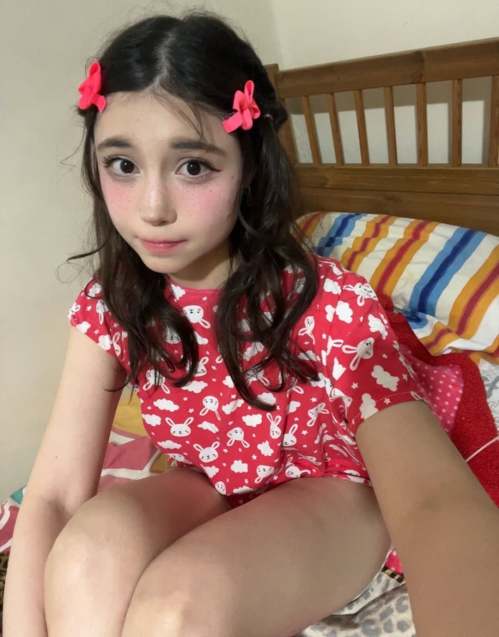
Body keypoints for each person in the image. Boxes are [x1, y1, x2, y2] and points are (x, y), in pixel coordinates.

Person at [3, 9, 499, 637]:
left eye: (193, 166)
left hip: (333, 494)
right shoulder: (114, 303)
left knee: (175, 609)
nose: (152, 208)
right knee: (81, 557)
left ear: (248, 167)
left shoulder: (331, 305)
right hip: (208, 480)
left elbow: (433, 501)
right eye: (122, 165)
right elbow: (52, 496)